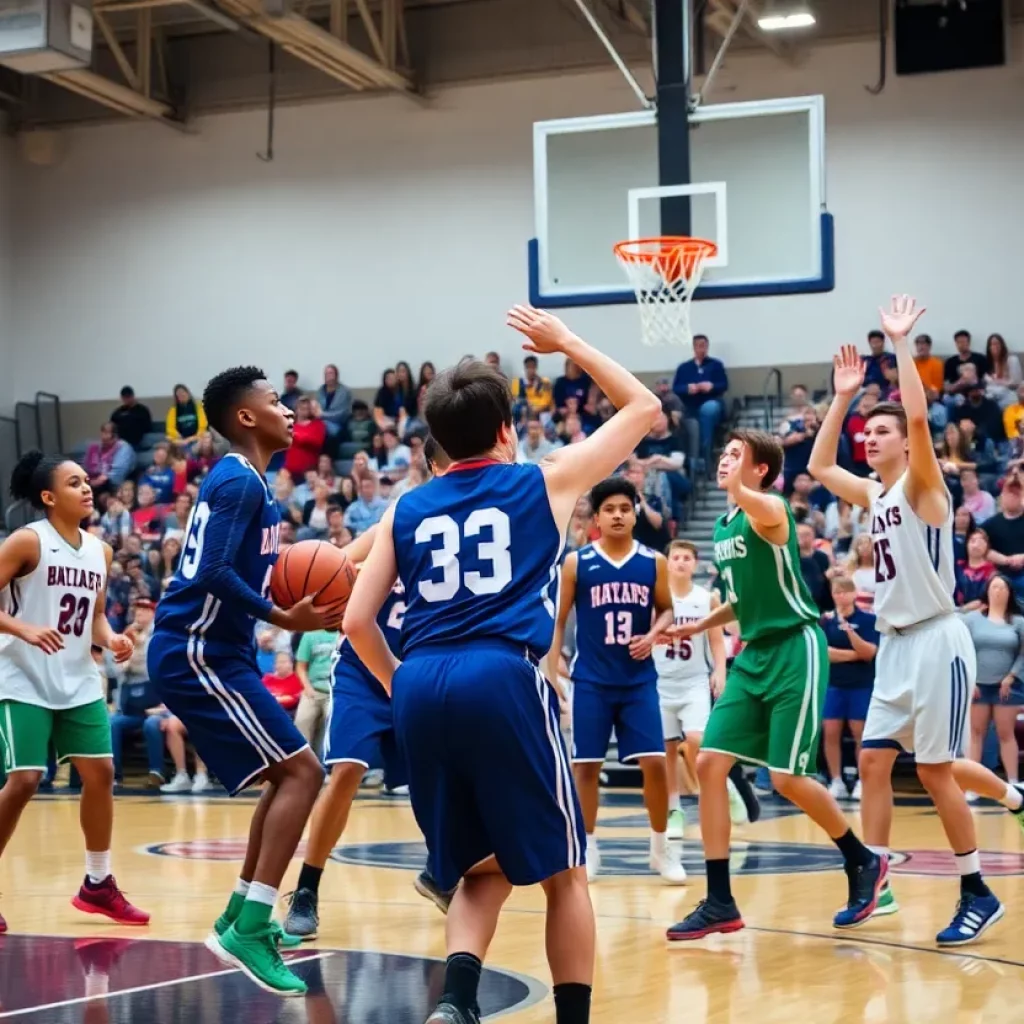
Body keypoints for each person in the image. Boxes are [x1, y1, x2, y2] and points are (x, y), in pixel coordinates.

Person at [343, 306, 665, 1024]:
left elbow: (355, 622)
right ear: (504, 431)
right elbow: (644, 407)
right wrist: (567, 343)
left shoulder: (406, 507)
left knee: (476, 866)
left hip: (421, 682)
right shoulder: (542, 481)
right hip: (502, 673)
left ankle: (455, 1006)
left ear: (436, 441)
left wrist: (401, 687)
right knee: (564, 871)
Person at [809, 297, 1006, 945]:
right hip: (893, 646)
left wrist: (899, 342)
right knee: (871, 763)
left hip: (937, 638)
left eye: (880, 430)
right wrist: (842, 399)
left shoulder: (924, 486)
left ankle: (977, 889)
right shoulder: (874, 492)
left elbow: (920, 420)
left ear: (904, 442)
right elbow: (816, 468)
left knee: (934, 771)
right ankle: (875, 880)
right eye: (869, 431)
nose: (871, 436)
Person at [147, 366, 344, 995]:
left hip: (212, 650)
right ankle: (253, 925)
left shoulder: (245, 480)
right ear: (245, 418)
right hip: (196, 649)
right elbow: (209, 571)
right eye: (276, 400)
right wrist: (282, 615)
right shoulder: (238, 483)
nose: (289, 410)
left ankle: (239, 911)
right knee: (305, 772)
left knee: (284, 774)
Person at [666, 428, 885, 941]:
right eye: (722, 453)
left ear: (761, 470)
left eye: (735, 455)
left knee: (787, 778)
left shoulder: (772, 512)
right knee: (708, 762)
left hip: (795, 647)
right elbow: (745, 598)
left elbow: (759, 508)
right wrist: (701, 625)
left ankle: (863, 861)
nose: (723, 460)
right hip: (754, 652)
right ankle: (720, 899)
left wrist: (742, 483)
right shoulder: (721, 529)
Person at [285, 445, 452, 939]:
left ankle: (441, 869)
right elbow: (333, 566)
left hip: (417, 668)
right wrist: (335, 584)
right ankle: (308, 888)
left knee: (437, 777)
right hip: (363, 666)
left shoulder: (461, 535)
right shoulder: (396, 523)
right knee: (346, 772)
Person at [0, 451, 150, 934]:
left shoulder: (100, 551)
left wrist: (113, 639)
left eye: (86, 481)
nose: (86, 488)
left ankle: (98, 883)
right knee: (24, 780)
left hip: (77, 676)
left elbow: (96, 616)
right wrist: (22, 629)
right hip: (23, 675)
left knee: (101, 772)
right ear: (48, 497)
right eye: (73, 483)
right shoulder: (27, 542)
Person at [550, 477, 684, 884]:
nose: (618, 515)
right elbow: (557, 620)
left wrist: (654, 632)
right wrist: (551, 671)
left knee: (656, 765)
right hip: (591, 680)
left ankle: (661, 851)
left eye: (625, 508)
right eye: (610, 509)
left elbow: (667, 610)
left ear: (635, 513)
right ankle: (588, 848)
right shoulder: (577, 562)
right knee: (586, 768)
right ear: (597, 518)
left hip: (639, 681)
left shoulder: (654, 562)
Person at [653, 541, 728, 840]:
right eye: (676, 557)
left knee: (697, 739)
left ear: (695, 564)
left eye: (687, 558)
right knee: (666, 750)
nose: (681, 562)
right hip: (660, 681)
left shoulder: (706, 598)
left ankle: (725, 786)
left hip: (695, 679)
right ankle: (675, 810)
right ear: (668, 562)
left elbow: (717, 641)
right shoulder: (656, 597)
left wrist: (719, 671)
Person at [963, 575, 1024, 793]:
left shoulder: (1018, 622)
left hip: (1006, 687)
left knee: (1005, 733)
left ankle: (1015, 781)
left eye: (1002, 587)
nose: (998, 591)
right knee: (976, 732)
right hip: (978, 685)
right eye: (994, 587)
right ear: (987, 591)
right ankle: (971, 783)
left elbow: (1023, 653)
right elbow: (962, 649)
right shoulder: (971, 619)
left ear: (1009, 593)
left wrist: (1011, 676)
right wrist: (970, 679)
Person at [820, 576, 878, 802]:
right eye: (837, 591)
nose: (841, 596)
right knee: (831, 733)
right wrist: (855, 656)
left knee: (860, 735)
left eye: (845, 591)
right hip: (834, 685)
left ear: (854, 594)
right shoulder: (825, 620)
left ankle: (863, 780)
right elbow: (825, 653)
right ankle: (836, 780)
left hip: (861, 685)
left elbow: (870, 652)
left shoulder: (867, 620)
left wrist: (849, 632)